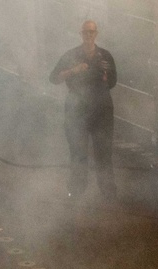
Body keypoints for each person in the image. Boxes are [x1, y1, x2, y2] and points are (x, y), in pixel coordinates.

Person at [49, 20, 118, 200]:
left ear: (96, 34)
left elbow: (113, 81)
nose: (89, 36)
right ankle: (77, 190)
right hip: (77, 110)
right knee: (78, 151)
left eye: (92, 32)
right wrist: (74, 70)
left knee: (104, 152)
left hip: (101, 109)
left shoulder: (105, 56)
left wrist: (103, 77)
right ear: (81, 34)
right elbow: (54, 78)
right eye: (85, 32)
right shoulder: (71, 55)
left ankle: (108, 191)